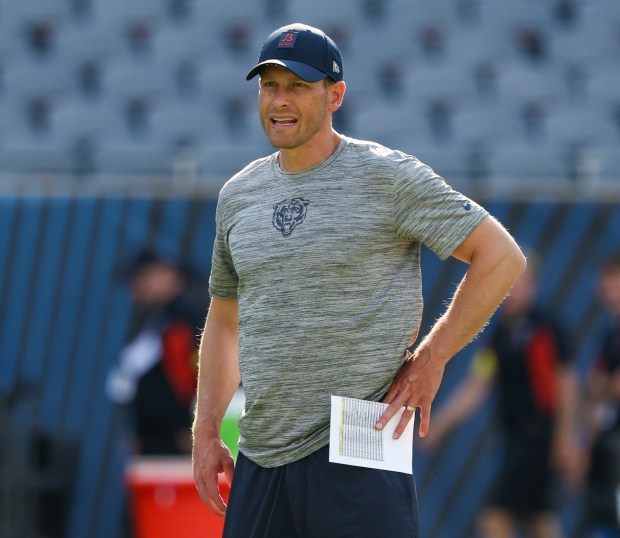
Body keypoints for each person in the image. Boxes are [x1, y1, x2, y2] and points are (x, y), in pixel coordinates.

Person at [191, 23, 526, 537]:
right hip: (259, 452)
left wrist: (434, 357)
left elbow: (500, 255)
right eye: (269, 85)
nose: (280, 100)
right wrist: (207, 427)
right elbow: (225, 319)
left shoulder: (387, 176)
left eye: (298, 85)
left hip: (360, 444)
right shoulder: (239, 194)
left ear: (336, 95)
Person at [422, 254, 584, 538]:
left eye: (519, 283)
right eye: (507, 282)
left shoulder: (546, 327)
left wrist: (564, 436)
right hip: (515, 436)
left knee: (495, 517)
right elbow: (477, 386)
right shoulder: (499, 334)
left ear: (534, 286)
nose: (511, 290)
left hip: (538, 436)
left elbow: (567, 384)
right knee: (539, 520)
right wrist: (439, 424)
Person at [107, 250, 205, 455]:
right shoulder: (157, 319)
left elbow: (203, 379)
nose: (136, 290)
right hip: (155, 440)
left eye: (142, 278)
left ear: (166, 272)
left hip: (181, 442)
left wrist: (195, 429)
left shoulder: (191, 317)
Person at [582, 252, 620, 537]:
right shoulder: (609, 333)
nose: (604, 287)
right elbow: (594, 385)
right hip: (607, 450)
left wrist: (604, 386)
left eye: (611, 278)